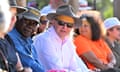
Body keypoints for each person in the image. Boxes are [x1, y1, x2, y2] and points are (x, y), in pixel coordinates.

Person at [33, 5, 89, 72]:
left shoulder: (68, 42)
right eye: (61, 23)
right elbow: (57, 69)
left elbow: (75, 67)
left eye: (69, 25)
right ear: (53, 22)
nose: (64, 27)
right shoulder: (45, 39)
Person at [8, 7, 45, 72]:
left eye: (34, 23)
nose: (30, 25)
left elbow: (36, 62)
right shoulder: (10, 37)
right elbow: (28, 62)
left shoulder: (29, 40)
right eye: (27, 21)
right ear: (17, 19)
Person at [0, 0, 32, 72]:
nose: (14, 19)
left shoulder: (8, 38)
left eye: (15, 15)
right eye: (10, 15)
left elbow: (19, 67)